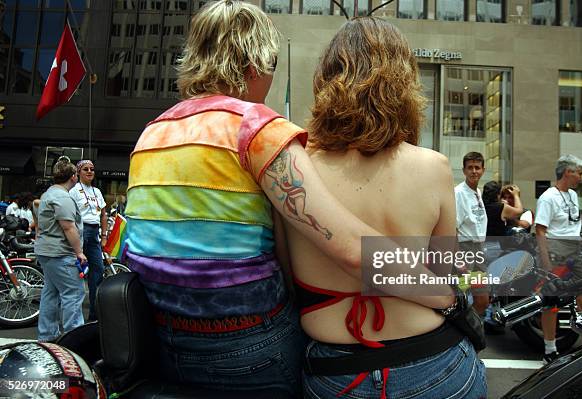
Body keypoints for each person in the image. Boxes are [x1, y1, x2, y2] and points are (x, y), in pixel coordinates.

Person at [123, 2, 453, 396]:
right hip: (249, 346)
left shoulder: (152, 134)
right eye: (272, 63)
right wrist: (448, 296)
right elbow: (350, 248)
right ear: (254, 65)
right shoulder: (258, 130)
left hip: (165, 338)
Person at [284, 17, 486, 399]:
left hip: (333, 372)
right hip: (435, 364)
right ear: (405, 82)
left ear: (326, 80)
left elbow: (286, 273)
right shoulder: (433, 167)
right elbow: (442, 276)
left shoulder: (294, 170)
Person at [535, 154, 582, 364]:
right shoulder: (548, 197)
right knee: (551, 303)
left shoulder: (573, 196)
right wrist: (547, 263)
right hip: (555, 253)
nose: (580, 177)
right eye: (579, 173)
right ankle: (549, 350)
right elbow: (540, 230)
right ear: (567, 172)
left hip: (574, 254)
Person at [35, 157, 87, 342]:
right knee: (73, 293)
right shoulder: (63, 197)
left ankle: (47, 336)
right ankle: (75, 340)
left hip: (46, 251)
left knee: (51, 293)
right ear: (73, 176)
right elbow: (68, 227)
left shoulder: (48, 194)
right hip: (60, 252)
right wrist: (79, 252)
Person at [69, 160, 107, 322]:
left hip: (94, 232)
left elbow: (103, 214)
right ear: (79, 172)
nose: (90, 171)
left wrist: (104, 235)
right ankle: (72, 318)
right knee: (76, 273)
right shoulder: (73, 190)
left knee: (97, 271)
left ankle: (94, 315)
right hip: (80, 230)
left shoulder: (97, 191)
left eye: (92, 169)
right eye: (86, 169)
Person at [455, 152, 489, 315]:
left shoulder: (478, 192)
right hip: (464, 249)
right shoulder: (459, 193)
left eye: (477, 167)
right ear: (464, 170)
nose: (474, 171)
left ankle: (471, 331)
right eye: (470, 168)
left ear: (483, 170)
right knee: (459, 298)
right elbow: (451, 229)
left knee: (482, 300)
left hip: (478, 250)